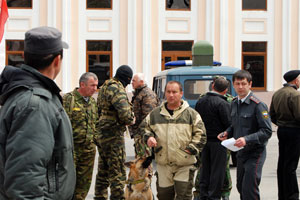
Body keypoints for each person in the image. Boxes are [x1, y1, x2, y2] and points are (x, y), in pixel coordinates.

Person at [0, 26, 76, 199]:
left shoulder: (34, 95)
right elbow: (25, 183)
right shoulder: (35, 105)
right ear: (57, 60)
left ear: (24, 57)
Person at [143, 80, 207, 200]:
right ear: (165, 93)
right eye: (168, 92)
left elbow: (201, 135)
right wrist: (149, 137)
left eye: (174, 92)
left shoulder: (192, 114)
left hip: (184, 164)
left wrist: (190, 149)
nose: (171, 95)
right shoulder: (155, 114)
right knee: (164, 196)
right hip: (163, 165)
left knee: (183, 196)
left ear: (181, 93)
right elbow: (144, 129)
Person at [218, 70, 272, 200]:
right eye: (238, 84)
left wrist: (246, 139)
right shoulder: (234, 102)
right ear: (233, 85)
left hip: (255, 152)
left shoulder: (258, 105)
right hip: (240, 152)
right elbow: (235, 125)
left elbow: (267, 131)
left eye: (244, 83)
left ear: (250, 84)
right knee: (241, 186)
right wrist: (227, 132)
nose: (240, 87)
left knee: (249, 189)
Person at [94, 65, 135, 200]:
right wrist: (131, 119)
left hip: (102, 133)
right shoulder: (117, 88)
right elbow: (125, 114)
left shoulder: (105, 86)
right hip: (113, 135)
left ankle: (100, 197)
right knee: (117, 171)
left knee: (103, 170)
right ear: (127, 78)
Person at [63, 72, 98, 200]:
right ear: (82, 84)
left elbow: (96, 123)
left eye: (96, 85)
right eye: (92, 85)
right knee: (67, 183)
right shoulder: (68, 100)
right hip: (72, 150)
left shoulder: (93, 102)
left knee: (84, 184)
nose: (95, 89)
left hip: (88, 150)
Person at [195, 76, 231, 200]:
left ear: (212, 86)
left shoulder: (201, 101)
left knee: (205, 169)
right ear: (226, 90)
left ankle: (203, 194)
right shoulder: (223, 103)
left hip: (204, 141)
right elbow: (228, 123)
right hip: (218, 142)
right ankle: (214, 196)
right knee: (218, 171)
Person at [269, 70, 300, 200]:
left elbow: (272, 115)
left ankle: (282, 194)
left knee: (282, 163)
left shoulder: (277, 93)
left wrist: (281, 124)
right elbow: (299, 116)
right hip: (294, 131)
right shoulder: (295, 95)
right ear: (295, 80)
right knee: (291, 165)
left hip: (282, 130)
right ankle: (292, 195)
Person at [130, 73, 159, 157]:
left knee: (144, 160)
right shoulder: (140, 93)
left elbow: (148, 117)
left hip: (144, 133)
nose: (132, 83)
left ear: (141, 82)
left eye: (134, 81)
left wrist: (143, 132)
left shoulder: (148, 95)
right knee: (140, 159)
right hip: (139, 132)